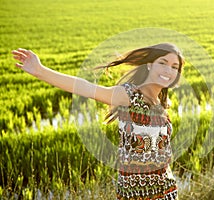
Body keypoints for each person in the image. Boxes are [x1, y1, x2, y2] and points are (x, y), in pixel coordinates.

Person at [12, 42, 184, 200]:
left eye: (174, 67)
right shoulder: (129, 95)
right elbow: (85, 87)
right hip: (135, 195)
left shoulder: (161, 105)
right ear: (149, 65)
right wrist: (40, 71)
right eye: (163, 63)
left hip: (166, 191)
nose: (168, 70)